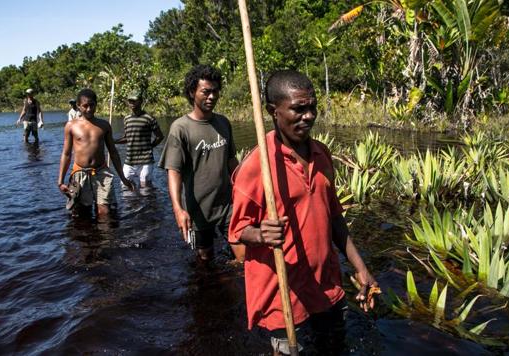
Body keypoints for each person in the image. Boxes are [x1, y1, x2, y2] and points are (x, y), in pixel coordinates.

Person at [228, 70, 379, 355]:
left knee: (334, 347)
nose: (308, 116)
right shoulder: (257, 165)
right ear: (274, 112)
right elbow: (237, 231)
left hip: (326, 284)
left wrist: (361, 267)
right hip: (283, 293)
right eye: (299, 109)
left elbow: (334, 218)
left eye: (312, 108)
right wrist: (260, 234)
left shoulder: (321, 153)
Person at [159, 64, 243, 263]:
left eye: (215, 91)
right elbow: (174, 171)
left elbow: (232, 162)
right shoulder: (180, 128)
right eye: (206, 92)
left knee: (243, 258)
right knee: (205, 261)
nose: (212, 97)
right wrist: (178, 210)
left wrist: (247, 189)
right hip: (198, 211)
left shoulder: (223, 123)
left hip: (227, 206)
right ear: (192, 92)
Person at [58, 88, 134, 218]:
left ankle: (106, 238)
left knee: (105, 212)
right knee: (82, 213)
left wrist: (123, 178)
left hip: (101, 172)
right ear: (78, 106)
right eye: (85, 106)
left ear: (96, 104)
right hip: (80, 173)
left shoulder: (104, 125)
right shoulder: (71, 126)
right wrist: (60, 181)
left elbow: (113, 152)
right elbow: (66, 154)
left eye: (91, 105)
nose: (88, 109)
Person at [115, 90, 164, 189]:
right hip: (130, 161)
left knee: (145, 188)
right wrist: (113, 141)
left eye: (134, 100)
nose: (131, 103)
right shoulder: (127, 119)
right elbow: (127, 138)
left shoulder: (149, 118)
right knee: (125, 186)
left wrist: (150, 146)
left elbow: (160, 136)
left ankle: (148, 204)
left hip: (146, 161)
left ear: (141, 101)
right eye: (130, 101)